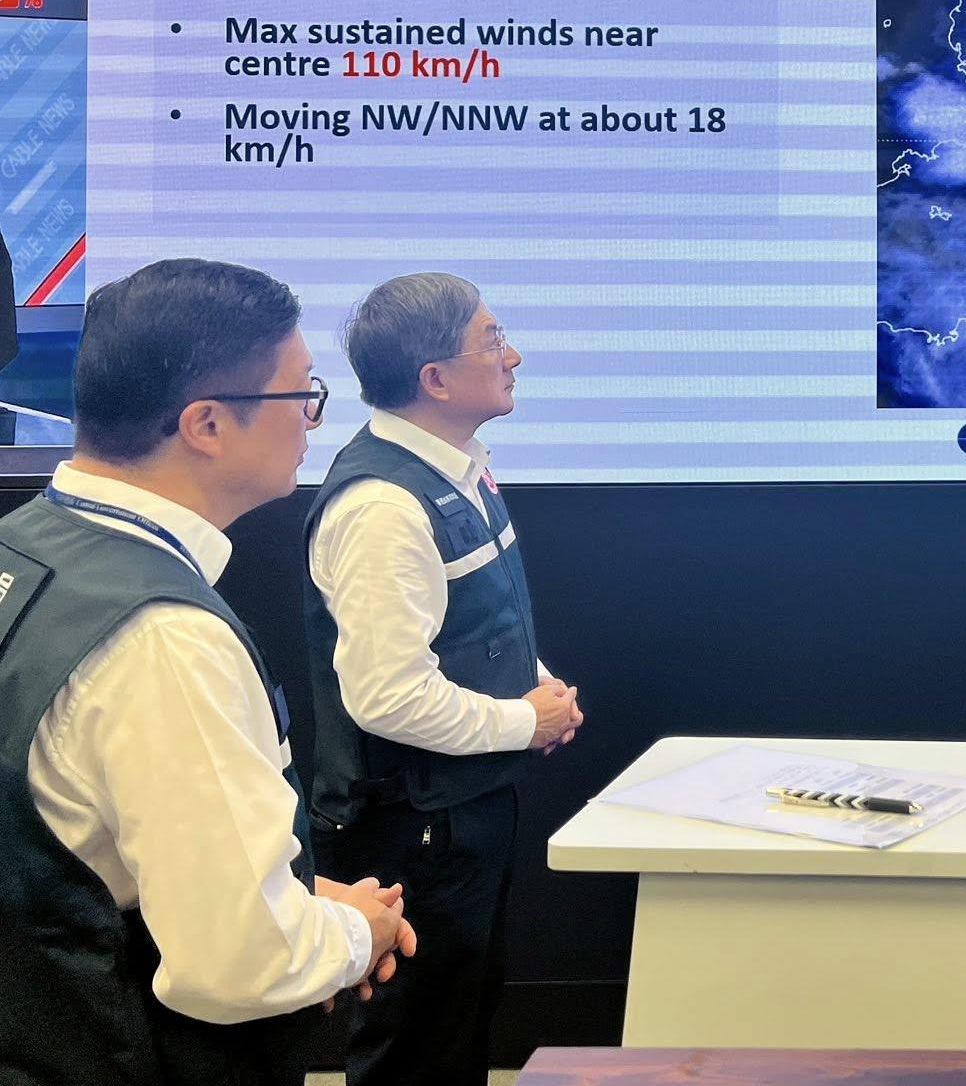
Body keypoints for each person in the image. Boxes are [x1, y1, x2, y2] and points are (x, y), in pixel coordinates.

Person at [0, 258, 416, 1086]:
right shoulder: (165, 639)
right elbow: (238, 964)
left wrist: (291, 896)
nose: (312, 420)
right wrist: (357, 933)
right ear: (207, 424)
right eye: (301, 394)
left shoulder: (25, 550)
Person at [305, 272, 582, 1086]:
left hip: (464, 808)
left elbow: (474, 623)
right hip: (415, 829)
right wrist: (524, 722)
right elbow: (386, 696)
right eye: (492, 341)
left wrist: (540, 689)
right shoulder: (382, 508)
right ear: (435, 378)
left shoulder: (459, 469)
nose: (513, 356)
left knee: (460, 1027)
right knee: (417, 1047)